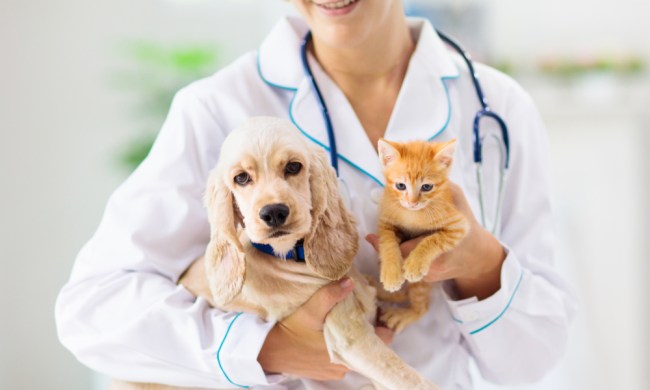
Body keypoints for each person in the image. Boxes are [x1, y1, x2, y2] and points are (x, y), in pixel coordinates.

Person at [55, 1, 576, 389]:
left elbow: (532, 359)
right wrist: (267, 348)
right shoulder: (215, 108)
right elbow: (92, 311)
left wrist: (481, 261)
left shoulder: (498, 107)